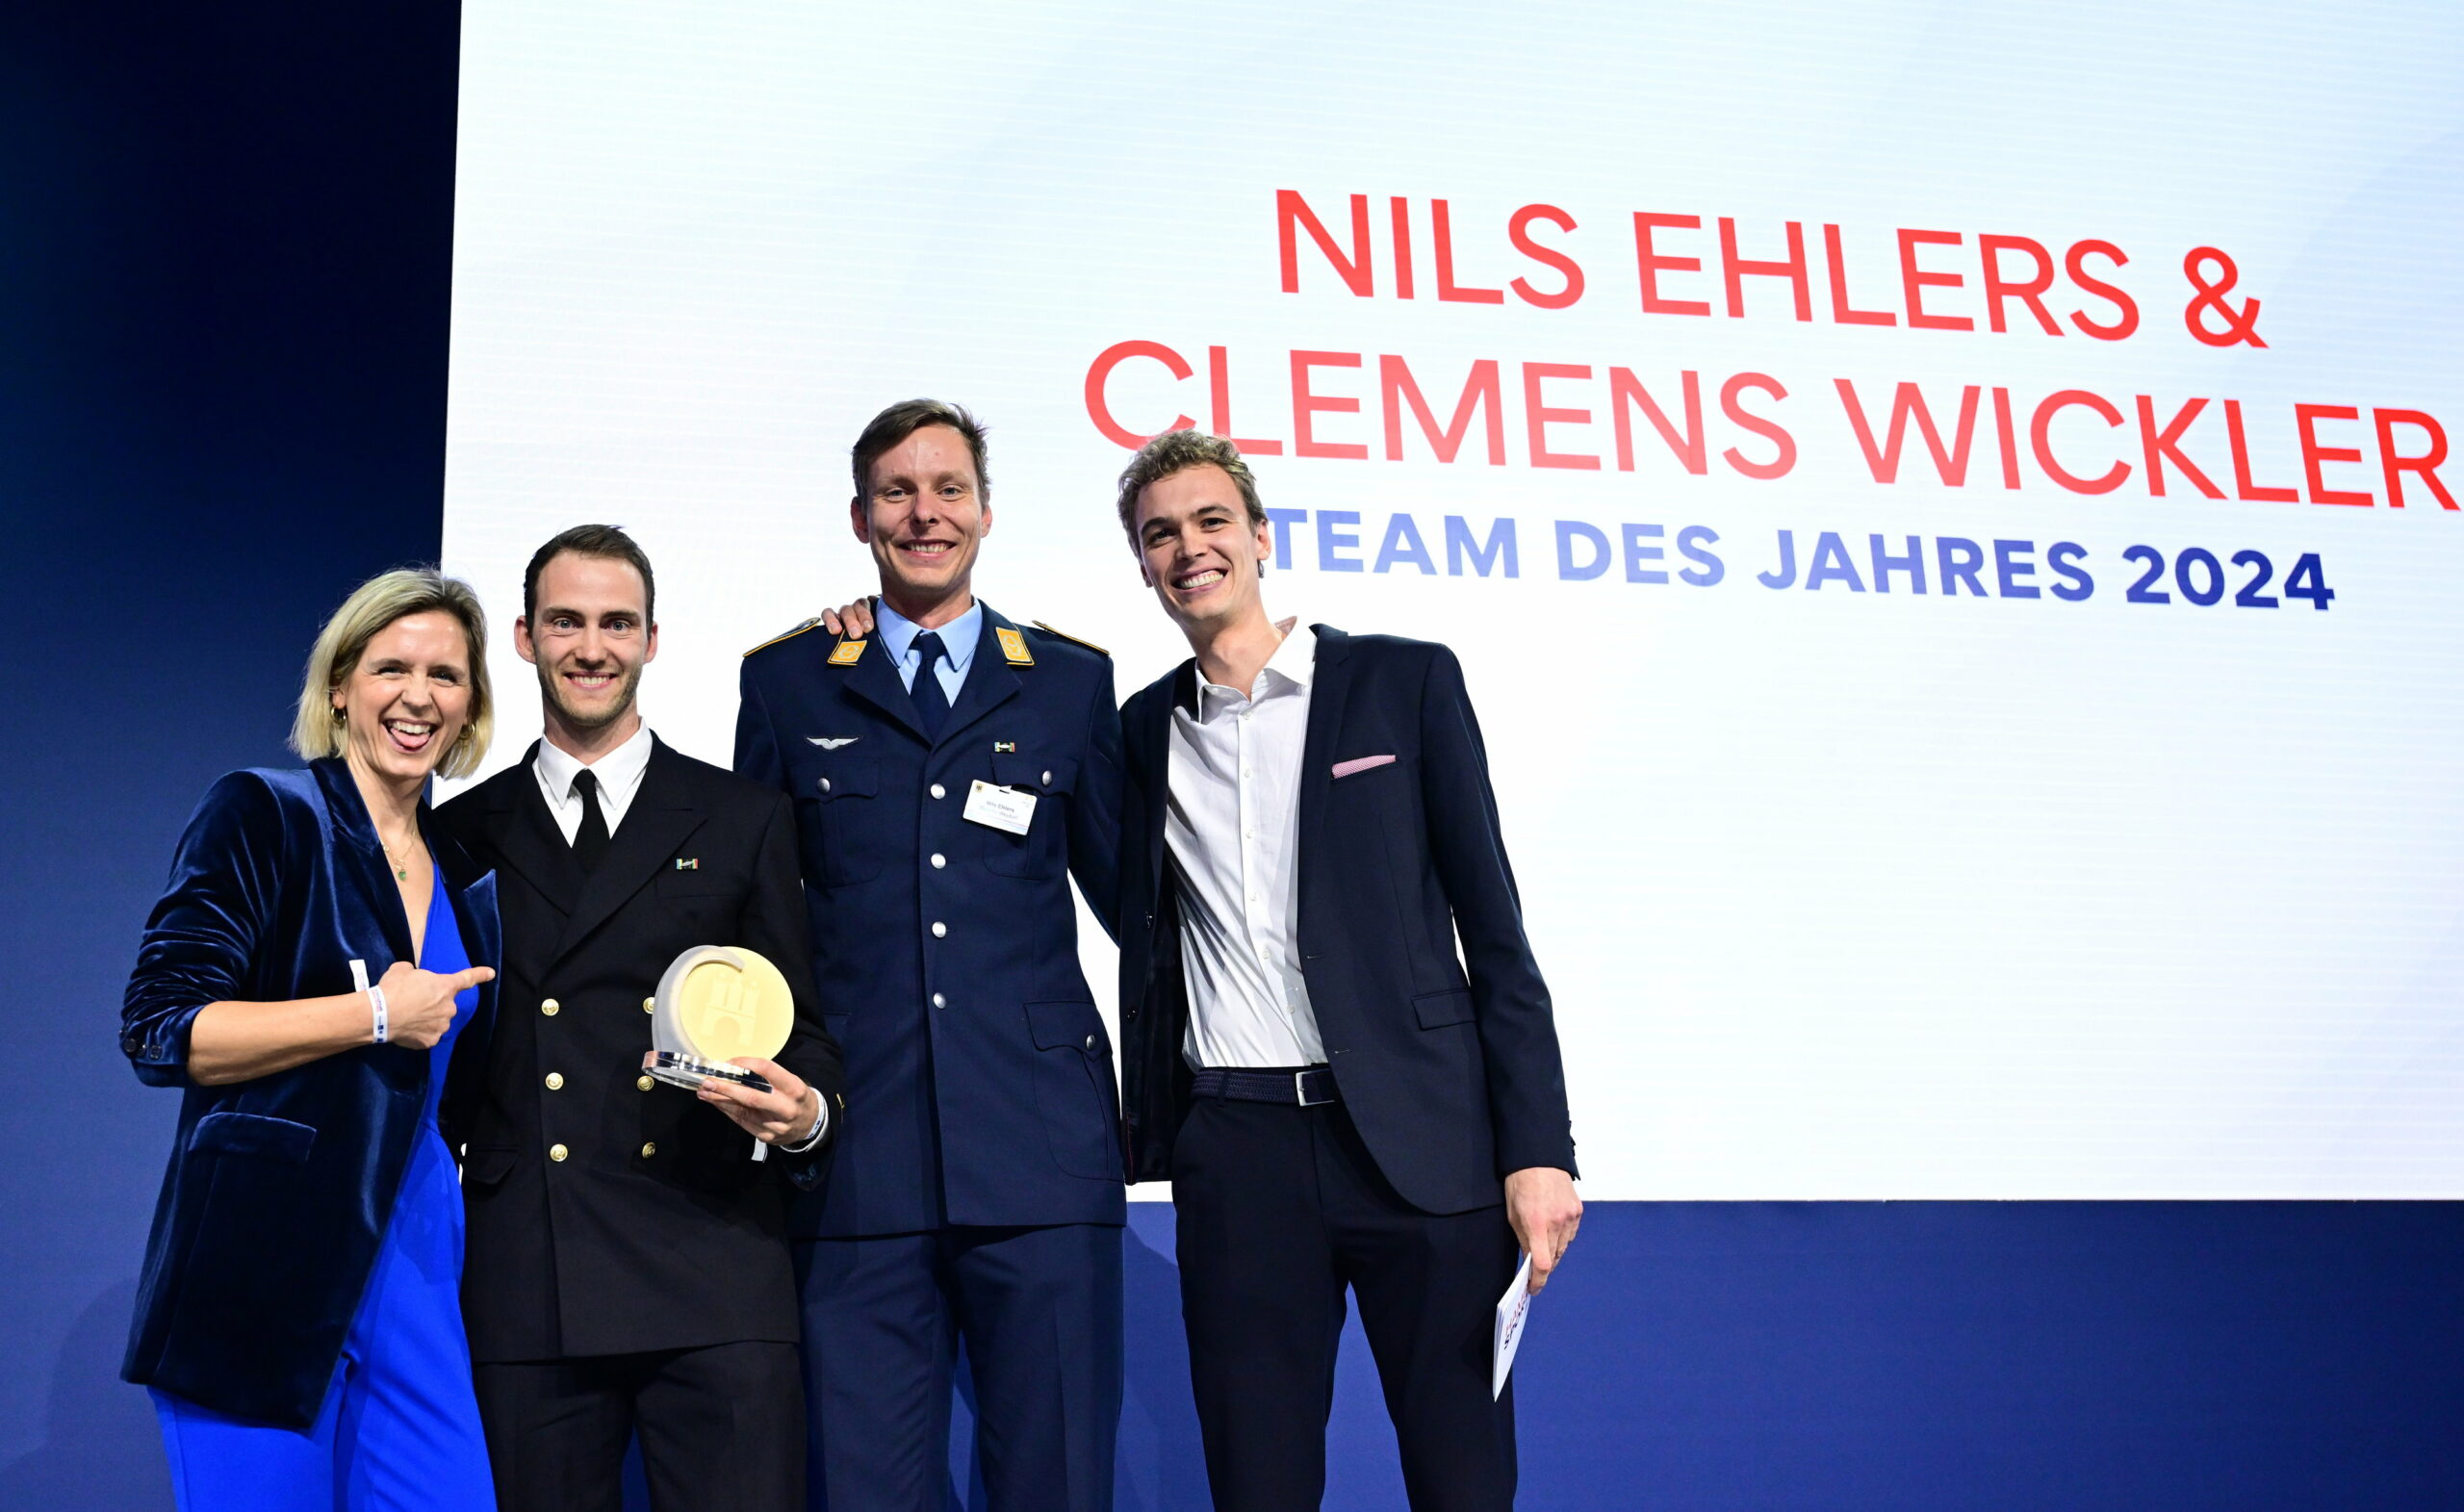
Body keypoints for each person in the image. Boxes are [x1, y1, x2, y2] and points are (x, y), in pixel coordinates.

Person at [1109, 430, 1583, 1512]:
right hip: (1239, 1155)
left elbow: (1494, 931)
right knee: (1257, 1482)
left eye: (1211, 520)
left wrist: (1538, 1149)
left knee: (1463, 1479)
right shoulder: (1140, 730)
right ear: (1142, 563)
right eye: (1160, 533)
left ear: (1262, 537)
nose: (1190, 547)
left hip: (1423, 1141)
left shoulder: (1402, 680)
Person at [735, 398, 1124, 1512]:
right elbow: (756, 920)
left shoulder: (1067, 679)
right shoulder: (789, 681)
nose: (925, 513)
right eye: (897, 492)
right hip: (859, 1156)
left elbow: (1136, 913)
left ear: (986, 513)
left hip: (1044, 1157)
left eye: (947, 489)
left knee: (1056, 1487)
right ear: (861, 517)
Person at [435, 525, 843, 1511]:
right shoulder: (457, 831)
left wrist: (807, 1114)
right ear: (525, 637)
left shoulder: (741, 814)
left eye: (616, 622)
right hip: (531, 1268)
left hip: (713, 1259)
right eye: (567, 621)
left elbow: (808, 1030)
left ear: (653, 639)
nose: (592, 646)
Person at [119, 568, 502, 1512]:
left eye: (446, 675)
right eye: (391, 667)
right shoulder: (265, 810)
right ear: (340, 685)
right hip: (262, 1267)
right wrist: (373, 1014)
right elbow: (160, 1028)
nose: (418, 696)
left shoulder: (469, 871)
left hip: (416, 1267)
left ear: (471, 704)